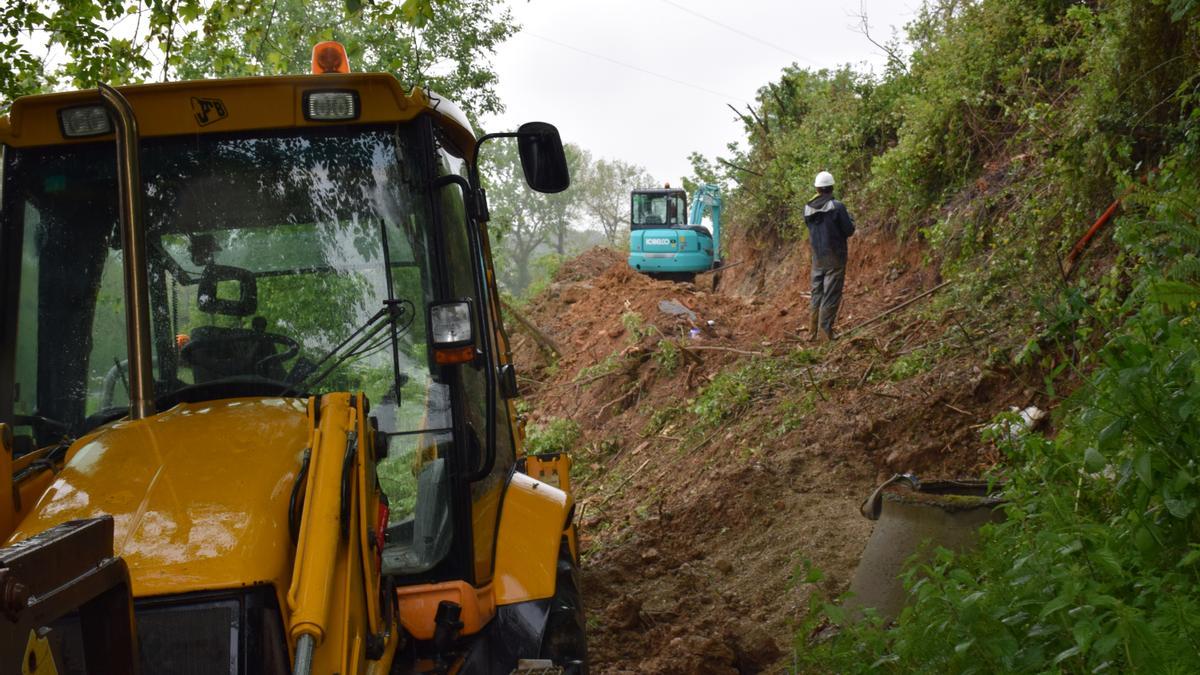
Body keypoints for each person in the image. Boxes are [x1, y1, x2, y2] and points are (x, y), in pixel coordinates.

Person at [804, 171, 855, 341]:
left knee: (817, 294)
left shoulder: (807, 208)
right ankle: (824, 334)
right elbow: (849, 230)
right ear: (832, 187)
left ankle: (812, 333)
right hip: (835, 256)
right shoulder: (837, 206)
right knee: (831, 294)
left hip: (817, 258)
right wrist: (851, 220)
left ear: (817, 189)